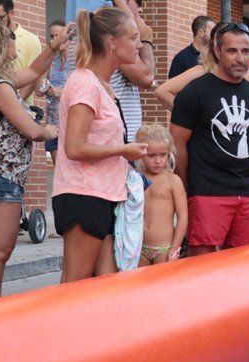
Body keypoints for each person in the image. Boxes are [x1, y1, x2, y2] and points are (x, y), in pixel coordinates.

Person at [0, 16, 65, 302]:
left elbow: (35, 69)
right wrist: (50, 129)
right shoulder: (0, 87)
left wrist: (53, 46)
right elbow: (32, 129)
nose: (15, 39)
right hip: (2, 178)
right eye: (9, 36)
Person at [53, 7, 148, 282]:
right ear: (111, 43)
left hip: (106, 194)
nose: (138, 44)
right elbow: (74, 147)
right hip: (84, 194)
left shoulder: (103, 84)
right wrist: (123, 150)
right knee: (75, 284)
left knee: (106, 284)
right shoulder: (85, 84)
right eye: (133, 37)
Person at [170, 23, 249, 256]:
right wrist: (189, 188)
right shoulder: (194, 92)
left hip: (247, 193)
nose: (240, 58)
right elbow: (177, 146)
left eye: (245, 51)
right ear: (217, 50)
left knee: (247, 264)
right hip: (207, 192)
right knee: (203, 267)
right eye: (232, 51)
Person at [135, 123, 187, 266]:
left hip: (163, 249)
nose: (158, 161)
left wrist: (175, 248)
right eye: (151, 155)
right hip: (138, 247)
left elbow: (183, 217)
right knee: (139, 286)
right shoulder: (136, 179)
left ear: (169, 152)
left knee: (160, 286)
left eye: (163, 155)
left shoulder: (173, 181)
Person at [109, 0, 155, 143]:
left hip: (125, 137)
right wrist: (146, 41)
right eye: (138, 2)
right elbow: (147, 78)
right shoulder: (116, 36)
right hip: (118, 140)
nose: (141, 10)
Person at [0, 0, 42, 101]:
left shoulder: (31, 40)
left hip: (19, 107)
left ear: (11, 14)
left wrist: (13, 104)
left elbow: (33, 78)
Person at [35, 19, 71, 165]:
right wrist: (44, 83)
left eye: (58, 35)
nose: (55, 40)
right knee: (59, 172)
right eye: (52, 36)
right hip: (54, 125)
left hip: (71, 124)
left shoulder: (79, 61)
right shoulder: (52, 61)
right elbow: (39, 91)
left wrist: (61, 92)